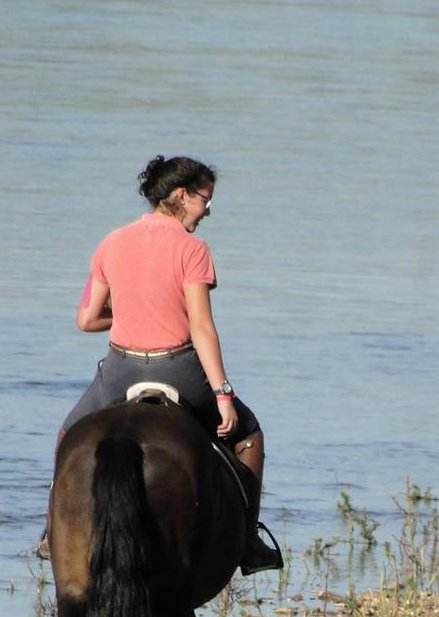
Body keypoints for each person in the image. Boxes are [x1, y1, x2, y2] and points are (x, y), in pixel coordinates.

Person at [38, 155, 282, 575]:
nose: (208, 211)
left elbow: (86, 320)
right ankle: (248, 542)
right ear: (182, 196)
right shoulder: (193, 250)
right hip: (178, 370)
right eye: (206, 200)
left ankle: (50, 533)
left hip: (120, 371)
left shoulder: (112, 242)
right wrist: (223, 394)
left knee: (68, 434)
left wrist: (133, 313)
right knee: (249, 436)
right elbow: (202, 329)